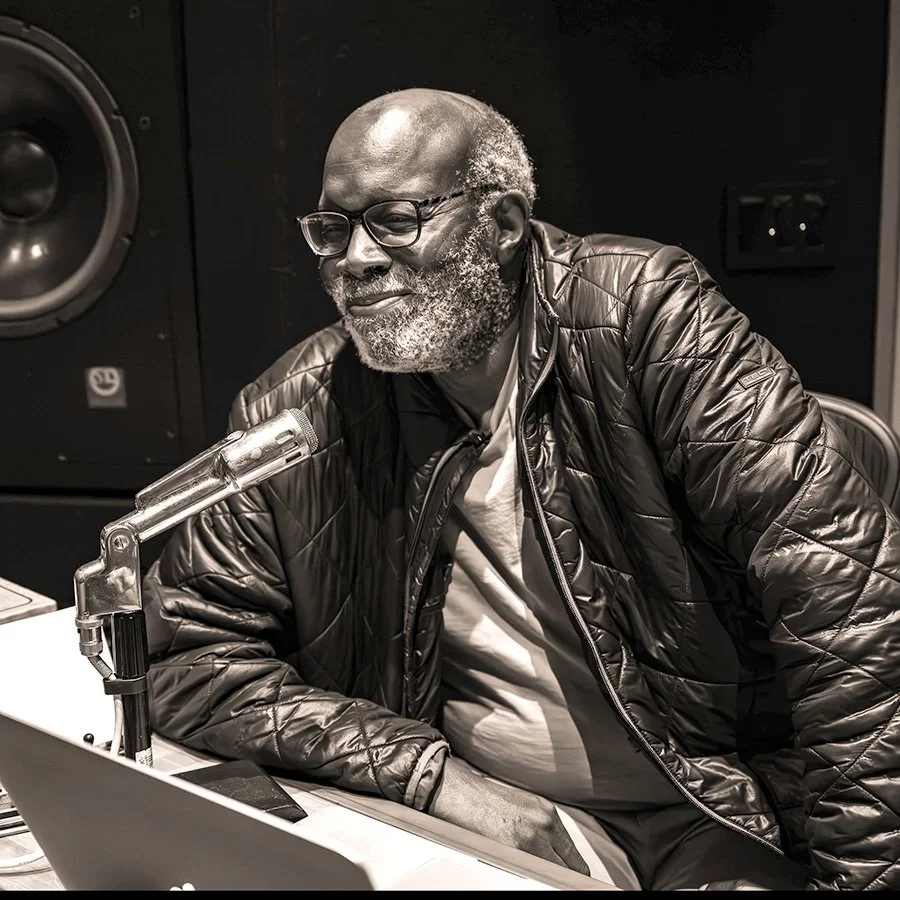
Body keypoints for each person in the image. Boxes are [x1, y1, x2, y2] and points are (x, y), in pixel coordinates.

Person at [142, 87, 900, 891]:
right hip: (479, 827)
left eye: (395, 220)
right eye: (333, 229)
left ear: (501, 224)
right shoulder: (296, 406)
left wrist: (860, 882)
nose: (354, 260)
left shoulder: (644, 316)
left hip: (714, 812)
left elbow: (850, 612)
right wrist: (432, 778)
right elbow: (186, 656)